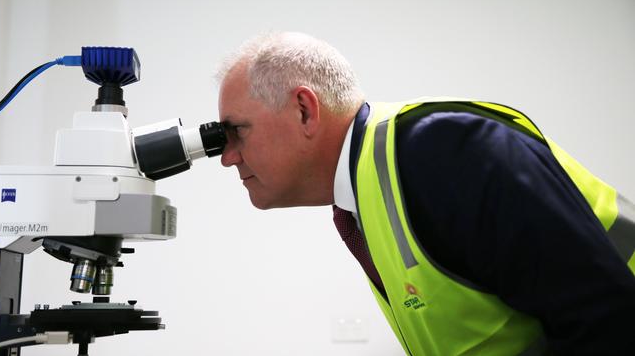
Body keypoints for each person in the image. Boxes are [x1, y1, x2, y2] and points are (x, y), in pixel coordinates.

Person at [216, 32, 635, 355]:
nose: (227, 157)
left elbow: (607, 320)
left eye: (236, 131)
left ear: (304, 109)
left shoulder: (442, 152)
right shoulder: (369, 193)